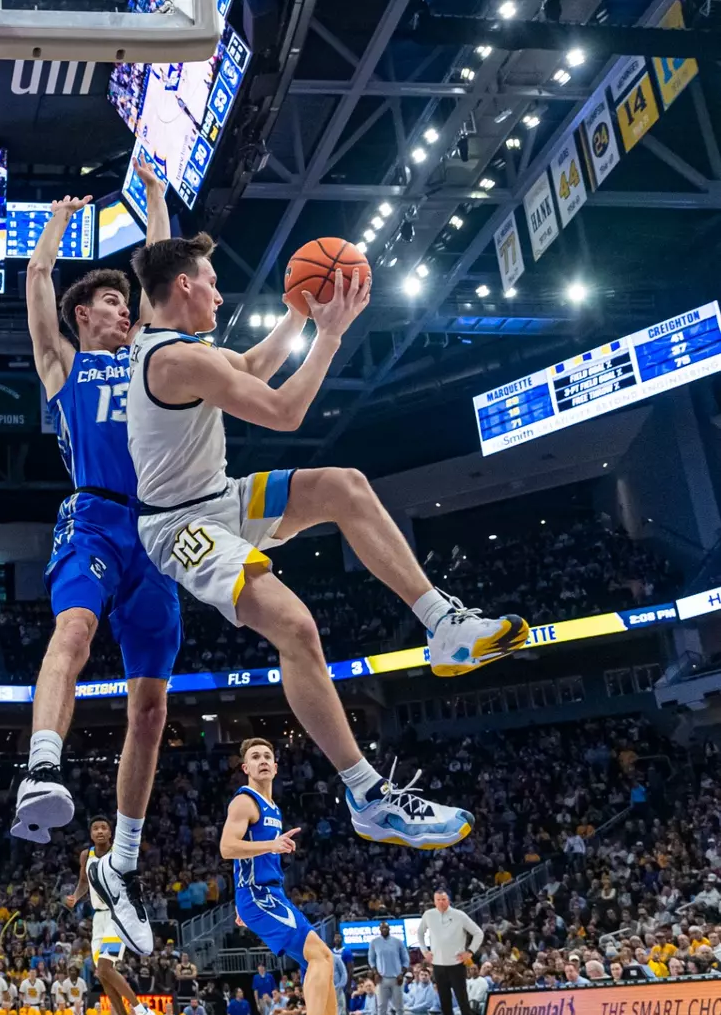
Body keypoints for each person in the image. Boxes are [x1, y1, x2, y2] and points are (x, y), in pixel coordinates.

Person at [126, 237, 530, 848]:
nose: (219, 291)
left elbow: (253, 369)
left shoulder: (172, 347)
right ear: (183, 286)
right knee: (296, 627)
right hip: (180, 526)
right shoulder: (175, 360)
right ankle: (368, 796)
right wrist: (330, 335)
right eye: (210, 280)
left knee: (344, 486)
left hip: (219, 497)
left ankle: (442, 622)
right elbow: (286, 412)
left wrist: (297, 313)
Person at [12, 155, 182, 967]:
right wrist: (57, 222)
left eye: (125, 303)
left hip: (161, 529)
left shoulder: (152, 353)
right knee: (72, 631)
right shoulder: (65, 366)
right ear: (86, 318)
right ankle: (41, 768)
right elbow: (39, 282)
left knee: (151, 707)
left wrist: (153, 199)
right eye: (110, 303)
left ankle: (125, 864)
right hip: (93, 519)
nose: (123, 310)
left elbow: (161, 275)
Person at [221, 738, 373, 1015]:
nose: (262, 760)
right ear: (246, 768)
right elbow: (227, 847)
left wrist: (266, 855)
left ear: (275, 767)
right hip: (259, 897)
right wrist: (269, 849)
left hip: (270, 896)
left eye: (267, 756)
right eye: (255, 757)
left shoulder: (272, 807)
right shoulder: (245, 803)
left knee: (322, 961)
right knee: (320, 955)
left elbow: (250, 859)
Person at [64, 818, 156, 1015]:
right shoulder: (86, 855)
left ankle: (142, 1012)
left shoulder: (119, 853)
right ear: (91, 834)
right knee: (101, 974)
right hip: (99, 919)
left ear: (111, 832)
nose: (100, 831)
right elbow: (84, 882)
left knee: (105, 968)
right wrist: (75, 896)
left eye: (104, 827)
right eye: (96, 828)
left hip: (119, 915)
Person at [420, 889, 484, 1015]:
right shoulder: (428, 915)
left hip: (456, 964)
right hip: (438, 965)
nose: (441, 902)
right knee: (445, 1003)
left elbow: (478, 933)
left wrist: (469, 952)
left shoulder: (459, 915)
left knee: (463, 1001)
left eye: (444, 899)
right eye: (438, 899)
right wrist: (424, 951)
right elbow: (420, 933)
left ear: (448, 900)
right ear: (434, 901)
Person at [367, 919, 409, 1015]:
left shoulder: (398, 942)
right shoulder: (374, 942)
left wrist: (402, 973)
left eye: (386, 928)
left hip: (397, 978)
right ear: (379, 930)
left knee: (399, 1009)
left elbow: (405, 960)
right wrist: (375, 973)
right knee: (381, 1009)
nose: (384, 930)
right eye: (382, 928)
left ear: (389, 929)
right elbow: (371, 960)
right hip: (382, 979)